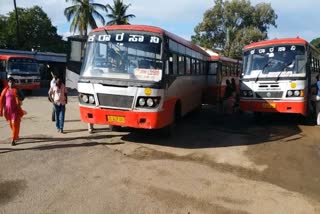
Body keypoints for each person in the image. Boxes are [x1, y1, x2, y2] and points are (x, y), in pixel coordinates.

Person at [0, 77, 26, 146]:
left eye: (12, 82)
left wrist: (18, 96)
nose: (10, 83)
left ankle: (13, 140)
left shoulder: (17, 90)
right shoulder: (5, 90)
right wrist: (1, 110)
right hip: (8, 111)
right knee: (12, 125)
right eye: (9, 82)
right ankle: (16, 135)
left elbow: (23, 97)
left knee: (15, 124)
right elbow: (2, 100)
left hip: (15, 110)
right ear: (8, 83)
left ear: (14, 83)